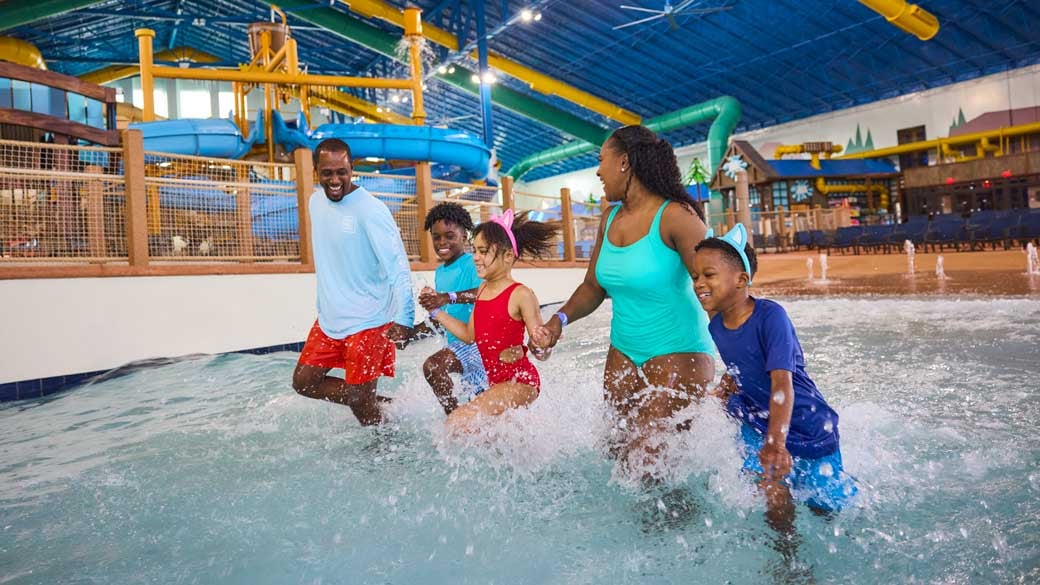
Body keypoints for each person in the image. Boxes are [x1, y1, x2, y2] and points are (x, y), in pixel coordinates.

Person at [537, 125, 715, 475]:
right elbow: (592, 287)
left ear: (624, 163)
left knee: (648, 465)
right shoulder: (610, 218)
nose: (598, 171)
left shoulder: (677, 216)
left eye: (601, 161)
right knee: (617, 455)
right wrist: (557, 322)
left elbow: (715, 283)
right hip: (622, 354)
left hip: (678, 354)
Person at [692, 224, 857, 524]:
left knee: (825, 508)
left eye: (709, 275)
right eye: (695, 276)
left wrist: (776, 443)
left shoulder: (771, 317)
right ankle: (787, 556)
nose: (698, 283)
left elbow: (783, 382)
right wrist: (725, 387)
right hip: (757, 418)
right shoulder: (716, 323)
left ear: (741, 280)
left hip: (804, 421)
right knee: (770, 491)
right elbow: (738, 361)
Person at [291, 138, 414, 426]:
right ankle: (392, 408)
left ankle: (387, 451)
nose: (335, 180)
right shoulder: (314, 201)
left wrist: (405, 318)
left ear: (352, 169)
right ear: (316, 172)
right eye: (327, 173)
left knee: (361, 406)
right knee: (304, 382)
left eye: (341, 172)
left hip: (370, 321)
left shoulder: (371, 210)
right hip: (330, 320)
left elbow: (398, 267)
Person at [427, 209, 556, 432]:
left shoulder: (521, 294)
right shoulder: (483, 290)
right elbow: (470, 335)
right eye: (475, 250)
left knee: (456, 423)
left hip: (520, 381)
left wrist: (542, 345)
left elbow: (542, 349)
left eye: (483, 251)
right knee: (490, 438)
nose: (475, 257)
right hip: (495, 381)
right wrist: (436, 312)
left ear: (507, 256)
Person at [415, 202, 488, 414]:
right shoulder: (440, 272)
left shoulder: (473, 262)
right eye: (436, 237)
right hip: (461, 345)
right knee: (484, 416)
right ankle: (462, 422)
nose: (442, 242)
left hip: (478, 343)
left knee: (434, 367)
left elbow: (483, 293)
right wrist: (411, 332)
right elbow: (445, 316)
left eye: (449, 235)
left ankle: (454, 419)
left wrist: (446, 297)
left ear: (464, 237)